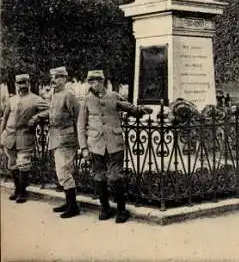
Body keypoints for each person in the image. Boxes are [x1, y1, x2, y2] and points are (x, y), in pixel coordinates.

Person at [77, 70, 153, 223]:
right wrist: (84, 147)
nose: (92, 85)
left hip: (114, 143)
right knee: (99, 177)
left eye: (95, 81)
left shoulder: (113, 96)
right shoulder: (86, 101)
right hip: (96, 145)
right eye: (90, 82)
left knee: (115, 177)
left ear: (102, 81)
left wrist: (140, 110)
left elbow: (129, 107)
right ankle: (105, 207)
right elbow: (80, 125)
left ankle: (121, 210)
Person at [0, 73, 49, 203]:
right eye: (19, 83)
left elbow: (50, 110)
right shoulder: (12, 100)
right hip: (10, 136)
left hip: (25, 135)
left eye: (24, 83)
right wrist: (1, 134)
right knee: (12, 164)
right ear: (16, 85)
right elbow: (4, 119)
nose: (21, 86)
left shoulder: (36, 99)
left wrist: (36, 118)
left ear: (29, 83)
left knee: (23, 163)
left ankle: (23, 192)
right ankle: (17, 189)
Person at [45, 66, 80, 219]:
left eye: (58, 77)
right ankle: (68, 203)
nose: (54, 80)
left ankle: (73, 207)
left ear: (65, 79)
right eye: (53, 77)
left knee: (64, 171)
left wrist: (79, 140)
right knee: (61, 172)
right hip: (56, 137)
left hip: (66, 138)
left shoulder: (68, 95)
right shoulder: (54, 95)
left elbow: (78, 116)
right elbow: (52, 112)